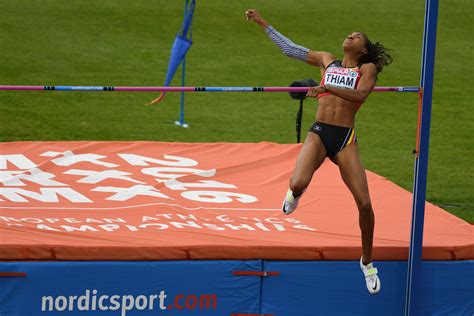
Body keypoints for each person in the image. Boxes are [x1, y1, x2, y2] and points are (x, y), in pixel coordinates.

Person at [246, 9, 393, 295]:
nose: (350, 36)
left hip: (344, 138)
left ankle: (367, 262)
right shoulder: (327, 60)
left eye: (357, 36)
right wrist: (263, 23)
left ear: (363, 49)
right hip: (320, 133)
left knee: (364, 203)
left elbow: (361, 95)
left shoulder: (366, 69)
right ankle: (295, 193)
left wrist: (327, 88)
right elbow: (291, 49)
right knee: (297, 183)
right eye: (349, 34)